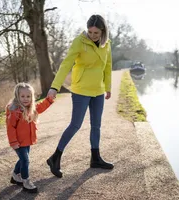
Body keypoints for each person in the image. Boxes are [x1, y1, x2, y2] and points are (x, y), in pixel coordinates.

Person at [46, 14, 113, 178]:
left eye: (96, 33)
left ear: (103, 32)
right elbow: (66, 64)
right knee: (75, 125)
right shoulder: (79, 41)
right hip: (81, 90)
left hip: (98, 90)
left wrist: (108, 87)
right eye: (90, 32)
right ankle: (55, 157)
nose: (92, 36)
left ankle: (95, 158)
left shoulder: (107, 44)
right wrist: (54, 87)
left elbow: (108, 66)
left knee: (96, 125)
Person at [6, 82, 54, 193]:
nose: (25, 99)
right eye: (22, 96)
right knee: (25, 160)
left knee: (23, 159)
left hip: (26, 140)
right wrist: (13, 141)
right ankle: (26, 181)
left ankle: (15, 176)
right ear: (17, 96)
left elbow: (40, 107)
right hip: (17, 141)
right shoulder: (15, 111)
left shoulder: (30, 108)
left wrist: (49, 100)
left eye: (28, 96)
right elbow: (11, 128)